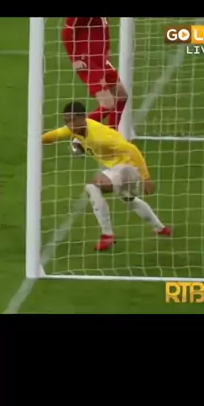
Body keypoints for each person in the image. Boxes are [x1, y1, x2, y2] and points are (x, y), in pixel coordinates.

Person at [42, 101, 171, 251]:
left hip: (128, 167)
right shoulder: (75, 129)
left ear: (83, 118)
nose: (69, 125)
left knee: (92, 187)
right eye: (66, 121)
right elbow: (55, 135)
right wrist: (36, 140)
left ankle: (107, 235)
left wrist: (146, 177)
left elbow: (132, 149)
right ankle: (160, 228)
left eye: (72, 120)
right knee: (128, 199)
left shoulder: (101, 136)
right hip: (119, 168)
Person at [62, 17, 128, 131]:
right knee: (108, 104)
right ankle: (76, 132)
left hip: (101, 60)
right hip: (87, 61)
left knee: (121, 96)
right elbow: (67, 31)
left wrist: (107, 48)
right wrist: (75, 58)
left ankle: (112, 133)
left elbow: (105, 23)